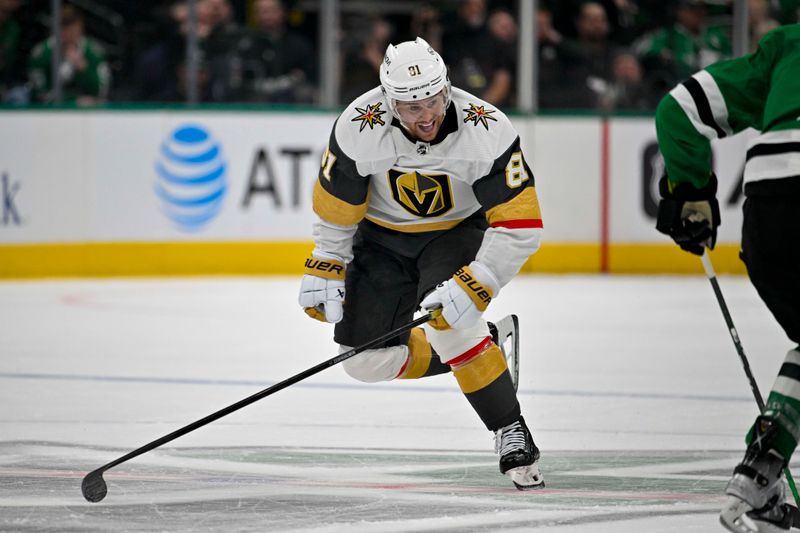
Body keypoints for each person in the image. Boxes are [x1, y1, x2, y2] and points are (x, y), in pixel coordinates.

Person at [298, 37, 544, 490]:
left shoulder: (488, 129)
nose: (425, 115)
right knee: (364, 363)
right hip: (380, 241)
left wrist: (481, 279)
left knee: (454, 323)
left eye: (432, 99)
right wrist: (327, 260)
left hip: (455, 234)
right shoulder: (358, 123)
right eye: (411, 107)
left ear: (447, 89)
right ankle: (485, 348)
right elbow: (337, 207)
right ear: (389, 103)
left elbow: (520, 224)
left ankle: (509, 427)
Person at [654, 24, 800, 532]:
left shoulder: (788, 46)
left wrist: (691, 191)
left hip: (773, 214)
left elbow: (678, 108)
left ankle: (761, 465)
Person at [27, 4, 110, 105]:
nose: (69, 34)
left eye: (73, 28)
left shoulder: (94, 52)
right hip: (49, 113)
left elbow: (102, 92)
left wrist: (84, 68)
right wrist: (73, 102)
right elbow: (39, 95)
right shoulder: (42, 54)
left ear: (80, 27)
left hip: (88, 112)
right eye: (64, 28)